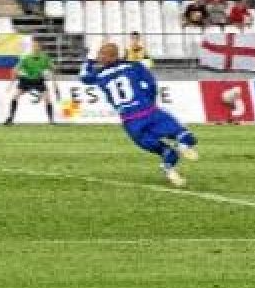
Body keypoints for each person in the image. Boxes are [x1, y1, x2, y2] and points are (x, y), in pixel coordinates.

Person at [81, 43, 200, 187]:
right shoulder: (134, 66)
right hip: (149, 113)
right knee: (187, 137)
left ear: (113, 56)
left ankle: (169, 168)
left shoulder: (98, 74)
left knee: (166, 150)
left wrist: (89, 61)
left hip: (131, 122)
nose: (99, 57)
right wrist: (149, 102)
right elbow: (151, 84)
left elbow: (83, 77)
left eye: (102, 55)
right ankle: (179, 152)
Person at [4, 42, 56, 125]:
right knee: (15, 96)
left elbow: (53, 68)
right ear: (31, 49)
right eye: (34, 47)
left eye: (37, 47)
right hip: (26, 80)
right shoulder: (26, 58)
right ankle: (10, 118)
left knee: (48, 98)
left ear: (40, 48)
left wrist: (54, 82)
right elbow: (14, 70)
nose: (35, 48)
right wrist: (11, 84)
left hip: (38, 80)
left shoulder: (45, 58)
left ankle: (51, 120)